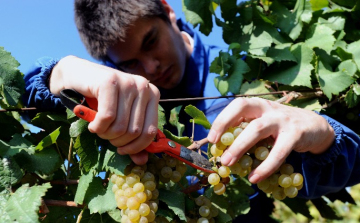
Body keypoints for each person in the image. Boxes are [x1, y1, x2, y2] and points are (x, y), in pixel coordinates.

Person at [24, 0, 360, 205]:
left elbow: (351, 168)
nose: (150, 67)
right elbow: (22, 97)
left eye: (151, 41)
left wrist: (325, 136)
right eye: (129, 64)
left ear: (167, 10)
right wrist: (56, 73)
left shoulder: (249, 69)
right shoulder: (118, 100)